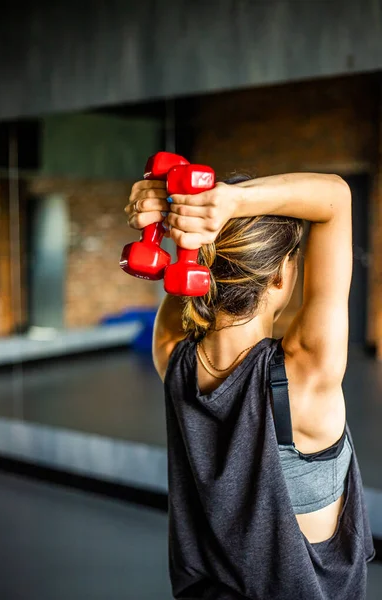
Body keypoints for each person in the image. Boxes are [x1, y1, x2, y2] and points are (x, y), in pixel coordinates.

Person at [125, 171, 375, 600]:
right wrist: (225, 206)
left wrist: (175, 222)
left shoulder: (175, 358)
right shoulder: (303, 373)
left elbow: (184, 284)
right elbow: (336, 197)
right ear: (280, 276)